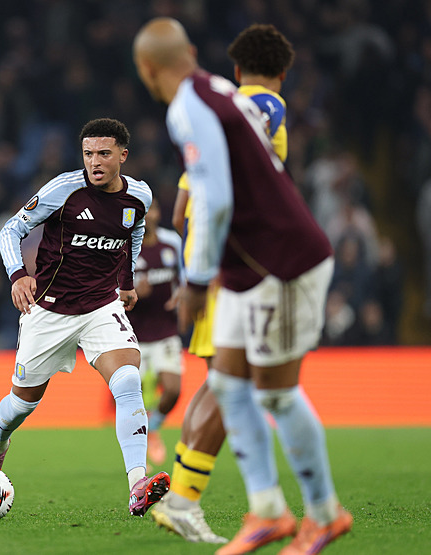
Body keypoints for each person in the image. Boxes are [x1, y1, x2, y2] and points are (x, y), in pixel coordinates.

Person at [134, 18, 353, 555]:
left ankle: (324, 514)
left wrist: (198, 281)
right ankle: (269, 512)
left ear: (146, 70)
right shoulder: (222, 91)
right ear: (190, 51)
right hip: (247, 266)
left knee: (275, 391)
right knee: (229, 384)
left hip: (279, 262)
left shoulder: (188, 107)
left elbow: (217, 197)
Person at [0, 118, 170, 517]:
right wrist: (17, 276)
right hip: (49, 310)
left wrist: (127, 281)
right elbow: (9, 230)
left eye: (103, 153)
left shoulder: (139, 196)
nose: (94, 162)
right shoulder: (64, 190)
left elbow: (132, 234)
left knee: (129, 380)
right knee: (22, 404)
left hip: (101, 306)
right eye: (88, 154)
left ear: (122, 155)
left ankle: (138, 483)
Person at [150, 23, 295, 544]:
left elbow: (187, 199)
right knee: (233, 382)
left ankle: (182, 496)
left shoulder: (211, 109)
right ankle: (185, 498)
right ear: (282, 73)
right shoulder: (262, 107)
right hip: (235, 262)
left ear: (235, 68)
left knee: (223, 378)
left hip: (210, 258)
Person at [125, 197, 183, 468]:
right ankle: (138, 457)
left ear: (159, 213)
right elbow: (112, 290)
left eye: (153, 210)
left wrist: (182, 296)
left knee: (172, 389)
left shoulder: (172, 243)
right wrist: (134, 294)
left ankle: (154, 428)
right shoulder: (126, 248)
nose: (148, 216)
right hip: (133, 333)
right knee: (131, 397)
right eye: (143, 213)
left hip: (166, 329)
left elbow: (185, 278)